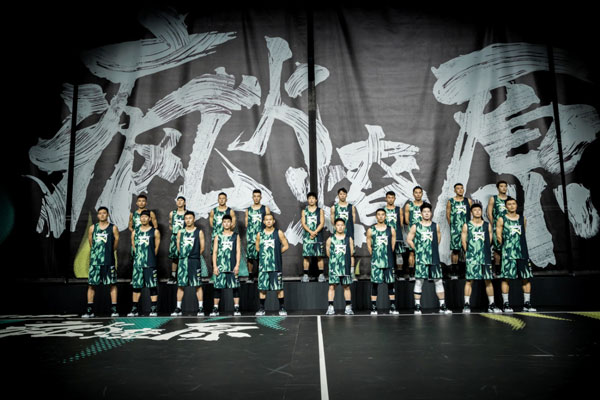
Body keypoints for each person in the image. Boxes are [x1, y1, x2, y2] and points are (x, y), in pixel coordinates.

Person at [406, 203, 452, 315]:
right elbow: (409, 239)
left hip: (434, 258)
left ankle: (442, 306)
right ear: (421, 213)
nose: (426, 213)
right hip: (421, 258)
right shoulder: (416, 226)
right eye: (424, 212)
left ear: (431, 213)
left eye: (428, 212)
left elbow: (438, 240)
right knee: (419, 281)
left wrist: (432, 249)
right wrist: (417, 249)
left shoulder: (436, 226)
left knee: (438, 281)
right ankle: (417, 306)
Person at [496, 197, 536, 313]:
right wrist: (506, 247)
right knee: (506, 278)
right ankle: (506, 304)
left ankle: (527, 304)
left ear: (516, 205)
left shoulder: (523, 219)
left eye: (513, 204)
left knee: (526, 278)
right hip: (508, 254)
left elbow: (523, 234)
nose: (512, 206)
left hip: (522, 253)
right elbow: (498, 236)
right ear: (506, 206)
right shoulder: (501, 219)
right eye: (509, 204)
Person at [461, 203, 501, 313]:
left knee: (488, 280)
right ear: (471, 212)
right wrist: (469, 252)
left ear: (481, 211)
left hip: (485, 257)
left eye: (479, 210)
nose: (477, 212)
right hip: (472, 257)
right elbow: (463, 241)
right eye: (475, 210)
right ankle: (466, 304)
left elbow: (490, 240)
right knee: (469, 281)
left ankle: (492, 304)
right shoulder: (467, 225)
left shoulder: (487, 225)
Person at [82, 207, 120, 318]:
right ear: (97, 215)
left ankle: (114, 310)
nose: (102, 215)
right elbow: (91, 243)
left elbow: (116, 243)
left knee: (112, 284)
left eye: (104, 213)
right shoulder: (92, 228)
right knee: (91, 285)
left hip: (109, 261)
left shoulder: (113, 228)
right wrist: (97, 254)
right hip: (95, 262)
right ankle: (89, 310)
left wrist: (109, 251)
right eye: (100, 213)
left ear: (107, 215)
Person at [171, 211, 206, 316]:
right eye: (186, 218)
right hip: (183, 262)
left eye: (190, 218)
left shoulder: (199, 232)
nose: (188, 220)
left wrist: (194, 255)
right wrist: (184, 256)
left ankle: (200, 308)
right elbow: (178, 247)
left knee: (197, 285)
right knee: (181, 285)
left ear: (194, 219)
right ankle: (178, 308)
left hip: (194, 261)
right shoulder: (180, 232)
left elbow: (202, 248)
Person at [127, 210, 161, 317]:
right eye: (142, 217)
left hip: (150, 263)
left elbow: (156, 248)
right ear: (140, 219)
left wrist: (149, 257)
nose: (144, 218)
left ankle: (153, 309)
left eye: (146, 217)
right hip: (138, 264)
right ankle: (134, 309)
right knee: (136, 287)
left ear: (150, 219)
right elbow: (134, 246)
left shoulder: (155, 231)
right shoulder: (135, 232)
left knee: (152, 286)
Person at [255, 214, 289, 316]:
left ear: (274, 221)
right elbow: (257, 248)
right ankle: (261, 309)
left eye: (270, 220)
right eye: (267, 220)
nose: (269, 221)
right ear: (264, 222)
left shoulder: (278, 232)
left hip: (276, 266)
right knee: (262, 288)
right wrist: (265, 255)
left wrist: (276, 253)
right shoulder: (260, 234)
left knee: (279, 288)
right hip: (263, 266)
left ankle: (282, 308)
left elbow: (286, 246)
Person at [366, 209, 398, 315]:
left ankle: (392, 306)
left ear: (385, 216)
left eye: (382, 214)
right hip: (376, 261)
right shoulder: (371, 230)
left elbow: (392, 246)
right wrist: (376, 256)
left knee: (390, 283)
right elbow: (369, 245)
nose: (380, 216)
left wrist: (386, 254)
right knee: (375, 284)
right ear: (376, 216)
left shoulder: (391, 229)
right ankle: (374, 307)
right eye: (378, 215)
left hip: (388, 260)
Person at [211, 214, 241, 316]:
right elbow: (215, 252)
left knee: (235, 287)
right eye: (224, 222)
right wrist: (215, 266)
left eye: (228, 222)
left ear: (231, 223)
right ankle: (215, 308)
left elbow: (238, 251)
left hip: (232, 266)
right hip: (221, 266)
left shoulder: (236, 236)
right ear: (222, 223)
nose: (226, 223)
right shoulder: (218, 236)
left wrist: (237, 265)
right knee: (217, 287)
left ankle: (236, 308)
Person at [325, 218, 355, 315]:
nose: (340, 227)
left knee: (346, 287)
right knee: (331, 287)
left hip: (345, 267)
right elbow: (328, 253)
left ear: (344, 226)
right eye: (338, 225)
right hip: (334, 267)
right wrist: (336, 260)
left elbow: (351, 252)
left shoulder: (349, 239)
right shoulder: (330, 239)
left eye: (342, 225)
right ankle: (330, 307)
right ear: (335, 227)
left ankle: (348, 307)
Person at [446, 183, 472, 279]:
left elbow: (471, 214)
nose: (460, 190)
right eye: (458, 188)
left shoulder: (468, 201)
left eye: (461, 188)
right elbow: (448, 215)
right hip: (455, 229)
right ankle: (454, 271)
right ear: (454, 190)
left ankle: (465, 271)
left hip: (466, 228)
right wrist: (453, 226)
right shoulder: (451, 201)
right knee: (455, 250)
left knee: (466, 249)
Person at [245, 189, 270, 284]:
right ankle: (250, 276)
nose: (256, 198)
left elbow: (269, 222)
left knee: (262, 257)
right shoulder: (248, 210)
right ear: (252, 197)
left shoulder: (265, 208)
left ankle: (262, 276)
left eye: (258, 196)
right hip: (251, 238)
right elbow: (246, 224)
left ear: (261, 197)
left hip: (262, 237)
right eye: (254, 196)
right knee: (250, 258)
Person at [301, 192, 325, 283]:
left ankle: (321, 275)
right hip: (307, 237)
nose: (311, 200)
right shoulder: (304, 211)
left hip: (318, 236)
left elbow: (322, 223)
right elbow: (303, 223)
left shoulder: (320, 210)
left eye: (313, 198)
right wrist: (311, 232)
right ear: (307, 200)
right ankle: (305, 275)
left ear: (316, 200)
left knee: (319, 256)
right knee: (306, 256)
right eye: (309, 198)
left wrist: (315, 232)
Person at [383, 191, 406, 280]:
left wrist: (396, 232)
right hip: (386, 237)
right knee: (387, 255)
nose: (390, 199)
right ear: (386, 198)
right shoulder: (383, 210)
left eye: (392, 197)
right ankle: (388, 273)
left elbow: (401, 224)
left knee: (399, 255)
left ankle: (400, 274)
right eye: (389, 197)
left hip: (397, 236)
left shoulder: (398, 209)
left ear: (395, 199)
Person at [488, 181, 509, 276]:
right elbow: (489, 213)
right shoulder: (494, 198)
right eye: (501, 186)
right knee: (497, 249)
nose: (504, 188)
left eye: (505, 186)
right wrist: (494, 225)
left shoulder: (510, 199)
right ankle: (497, 270)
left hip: (508, 227)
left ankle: (508, 269)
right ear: (498, 188)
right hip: (497, 227)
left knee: (508, 248)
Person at [404, 186, 424, 279]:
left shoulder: (425, 205)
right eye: (416, 192)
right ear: (413, 194)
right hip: (413, 233)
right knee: (412, 252)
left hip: (423, 233)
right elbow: (407, 220)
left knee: (423, 252)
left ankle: (422, 272)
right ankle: (411, 273)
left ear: (422, 194)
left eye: (420, 192)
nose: (418, 194)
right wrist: (412, 229)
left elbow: (428, 218)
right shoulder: (409, 205)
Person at [167, 196, 187, 285]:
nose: (179, 202)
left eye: (181, 200)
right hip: (175, 237)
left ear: (184, 203)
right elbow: (170, 225)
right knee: (175, 257)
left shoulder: (187, 213)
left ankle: (184, 275)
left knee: (185, 257)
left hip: (185, 237)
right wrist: (176, 232)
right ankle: (173, 276)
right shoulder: (172, 213)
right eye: (178, 200)